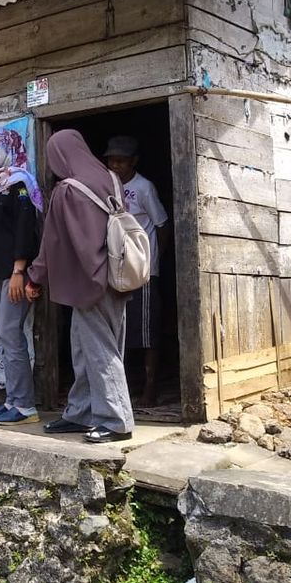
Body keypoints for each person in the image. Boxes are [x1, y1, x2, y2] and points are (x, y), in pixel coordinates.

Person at [25, 129, 135, 444]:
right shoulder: (111, 179)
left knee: (100, 350)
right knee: (85, 348)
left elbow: (51, 243)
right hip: (116, 274)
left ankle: (116, 420)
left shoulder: (67, 190)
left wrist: (35, 276)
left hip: (89, 280)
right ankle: (81, 412)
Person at [0, 129, 42, 426]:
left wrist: (19, 270)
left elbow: (26, 228)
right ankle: (11, 400)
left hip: (16, 272)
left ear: (5, 148)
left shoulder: (20, 184)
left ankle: (26, 406)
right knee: (5, 335)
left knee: (11, 334)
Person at [103, 136, 170, 408]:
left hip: (141, 271)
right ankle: (126, 387)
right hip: (116, 270)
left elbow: (163, 225)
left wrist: (153, 260)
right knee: (121, 329)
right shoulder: (108, 186)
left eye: (120, 160)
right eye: (110, 160)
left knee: (147, 332)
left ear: (134, 161)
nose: (115, 165)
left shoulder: (144, 188)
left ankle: (150, 389)